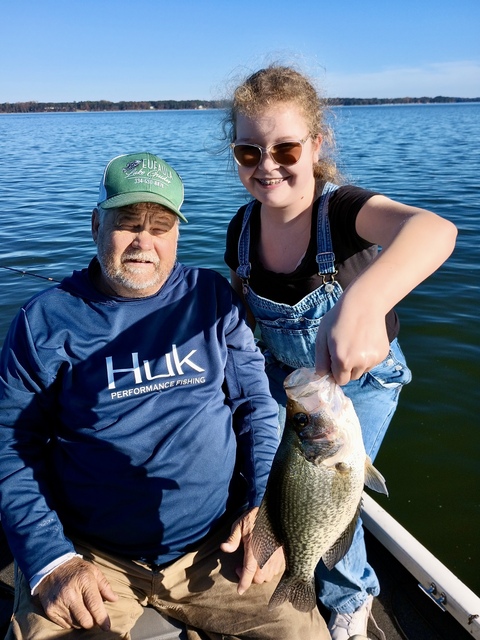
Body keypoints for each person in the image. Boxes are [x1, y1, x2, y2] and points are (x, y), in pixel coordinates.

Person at [0, 152, 330, 640]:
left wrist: (264, 504)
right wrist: (51, 559)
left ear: (177, 233)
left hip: (220, 545)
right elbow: (11, 444)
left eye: (160, 226)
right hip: (96, 557)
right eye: (128, 222)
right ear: (96, 224)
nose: (143, 241)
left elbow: (255, 406)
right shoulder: (44, 322)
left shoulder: (212, 297)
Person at [223, 65, 458, 640]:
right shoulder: (241, 229)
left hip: (361, 387)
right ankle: (274, 554)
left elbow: (434, 230)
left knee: (337, 491)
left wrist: (366, 301)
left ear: (316, 144)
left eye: (285, 147)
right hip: (293, 382)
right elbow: (241, 313)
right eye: (249, 153)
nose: (268, 165)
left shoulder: (343, 211)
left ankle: (351, 598)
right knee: (270, 481)